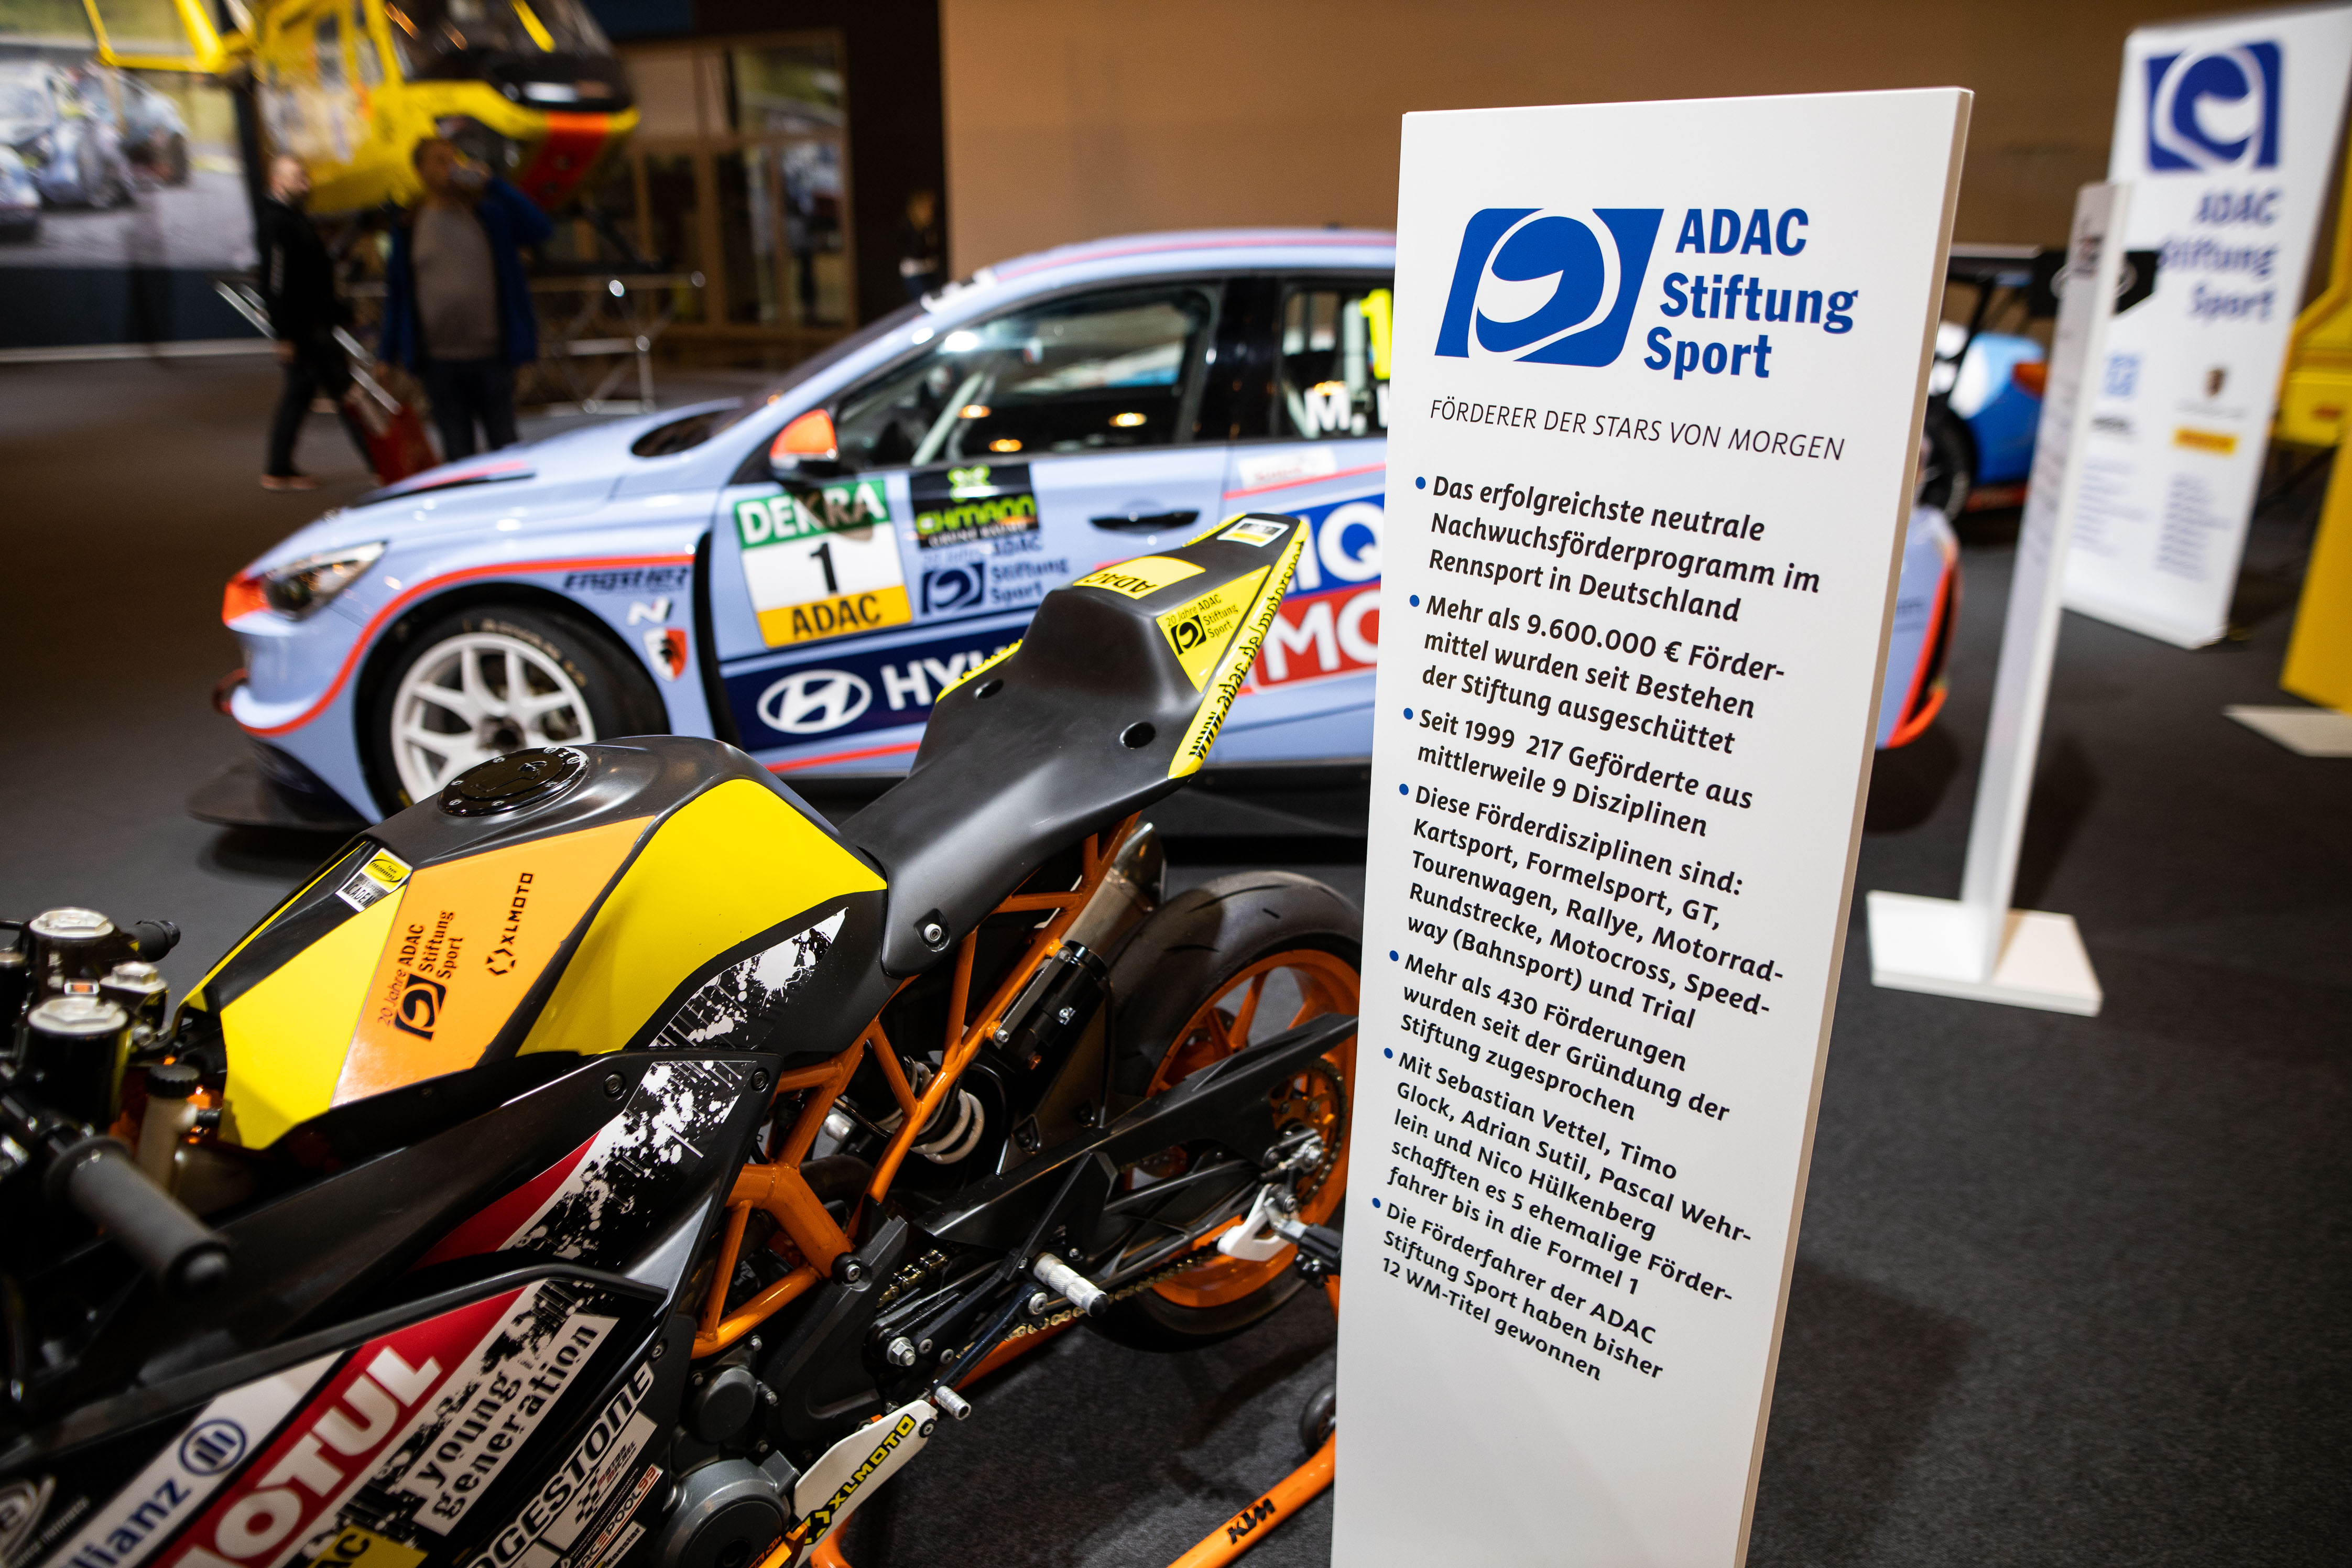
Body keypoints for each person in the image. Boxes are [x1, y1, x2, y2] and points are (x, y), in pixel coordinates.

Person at [379, 137, 551, 460]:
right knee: (458, 452)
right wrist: (386, 354)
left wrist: (494, 184)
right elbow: (398, 294)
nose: (450, 167)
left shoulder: (488, 215)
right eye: (439, 160)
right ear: (421, 170)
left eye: (453, 159)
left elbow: (540, 228)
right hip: (439, 361)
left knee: (506, 448)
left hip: (491, 356)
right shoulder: (409, 225)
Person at [257, 156, 372, 491]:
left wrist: (341, 314)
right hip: (307, 331)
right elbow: (276, 283)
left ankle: (279, 469)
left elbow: (313, 277)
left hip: (313, 327)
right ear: (277, 181)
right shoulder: (277, 223)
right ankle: (381, 464)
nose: (305, 183)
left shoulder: (295, 219)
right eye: (297, 177)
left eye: (305, 177)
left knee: (304, 394)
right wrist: (285, 334)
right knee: (345, 393)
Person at [897, 189, 943, 302]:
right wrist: (923, 232)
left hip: (930, 269)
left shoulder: (932, 226)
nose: (930, 209)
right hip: (915, 271)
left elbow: (935, 249)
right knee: (922, 301)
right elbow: (916, 250)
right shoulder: (908, 225)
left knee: (935, 300)